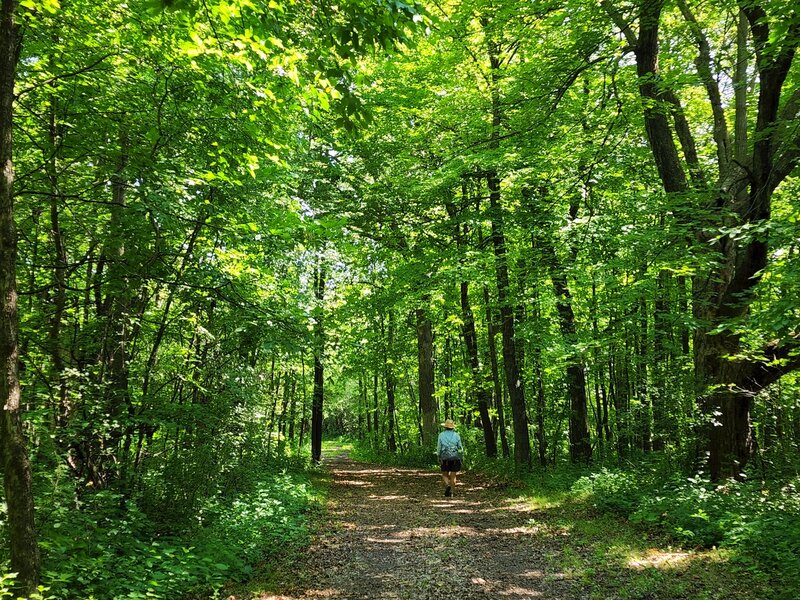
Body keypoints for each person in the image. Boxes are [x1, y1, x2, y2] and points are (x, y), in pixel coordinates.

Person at [436, 419, 463, 497]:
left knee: (444, 474)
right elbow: (460, 447)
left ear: (445, 427)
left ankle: (448, 484)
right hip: (455, 456)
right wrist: (461, 456)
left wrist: (438, 455)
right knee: (453, 475)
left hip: (445, 456)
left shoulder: (441, 435)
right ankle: (452, 492)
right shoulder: (456, 435)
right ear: (453, 427)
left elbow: (439, 447)